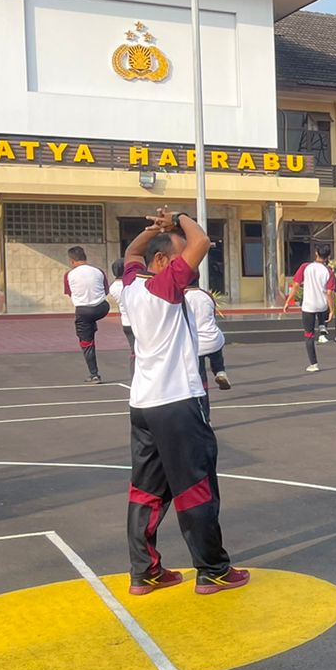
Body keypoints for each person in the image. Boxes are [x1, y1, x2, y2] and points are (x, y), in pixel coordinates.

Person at [119, 209, 247, 596]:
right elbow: (202, 241)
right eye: (178, 258)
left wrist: (153, 230)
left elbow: (130, 253)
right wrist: (178, 218)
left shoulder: (131, 285)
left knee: (146, 490)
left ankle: (144, 572)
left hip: (143, 403)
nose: (187, 267)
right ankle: (212, 570)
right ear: (161, 261)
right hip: (177, 402)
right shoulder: (163, 287)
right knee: (195, 487)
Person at [285, 245, 336, 373]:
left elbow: (296, 285)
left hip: (308, 306)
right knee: (322, 313)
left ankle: (313, 364)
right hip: (322, 306)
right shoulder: (328, 271)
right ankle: (322, 327)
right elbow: (329, 293)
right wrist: (332, 310)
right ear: (328, 256)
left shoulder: (305, 267)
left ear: (316, 253)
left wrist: (288, 302)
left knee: (309, 335)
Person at [64, 246, 109, 384]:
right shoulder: (99, 271)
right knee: (91, 320)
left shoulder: (69, 275)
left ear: (72, 261)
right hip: (102, 308)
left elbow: (70, 294)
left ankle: (94, 374)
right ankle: (92, 326)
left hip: (84, 311)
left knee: (86, 342)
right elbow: (106, 291)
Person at [185, 284, 230, 393]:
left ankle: (202, 391)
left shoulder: (183, 297)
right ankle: (220, 372)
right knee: (216, 355)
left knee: (200, 372)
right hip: (214, 338)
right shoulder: (207, 295)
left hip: (197, 343)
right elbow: (213, 316)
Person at [108, 259, 134, 378]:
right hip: (135, 323)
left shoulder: (113, 287)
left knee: (134, 351)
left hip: (126, 322)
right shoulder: (129, 284)